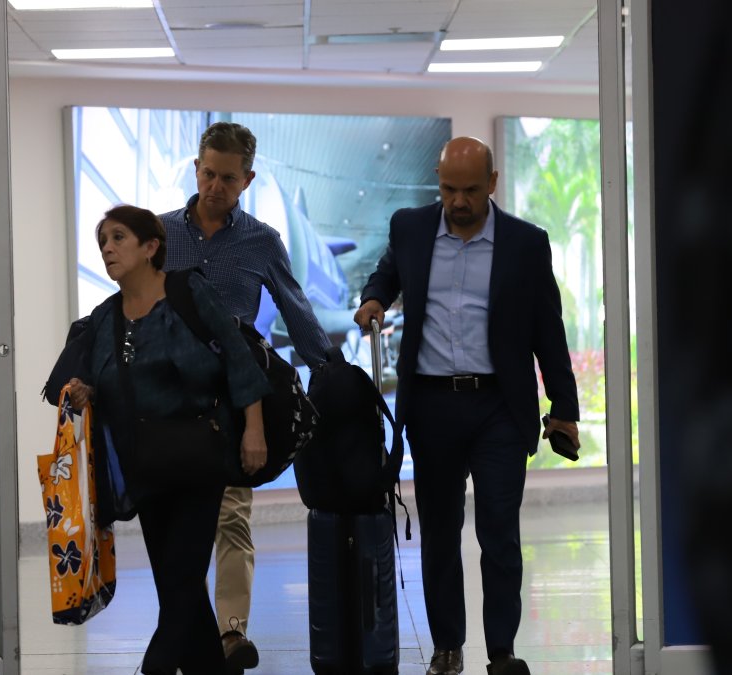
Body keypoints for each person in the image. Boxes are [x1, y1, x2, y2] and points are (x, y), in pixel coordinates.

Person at [353, 137, 580, 675]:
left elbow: (549, 330)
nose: (458, 201)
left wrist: (563, 407)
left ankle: (501, 651)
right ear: (438, 180)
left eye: (470, 191)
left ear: (493, 184)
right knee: (440, 531)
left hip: (500, 406)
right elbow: (389, 270)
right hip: (432, 405)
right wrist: (374, 298)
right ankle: (447, 647)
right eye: (449, 189)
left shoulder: (526, 244)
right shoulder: (410, 227)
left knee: (499, 530)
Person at [66, 205, 270, 675]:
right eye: (103, 242)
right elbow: (106, 378)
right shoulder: (105, 318)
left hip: (199, 461)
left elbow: (238, 358)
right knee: (182, 593)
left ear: (151, 247)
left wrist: (253, 430)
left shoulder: (186, 291)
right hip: (147, 468)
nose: (108, 249)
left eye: (119, 238)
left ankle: (154, 669)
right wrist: (85, 389)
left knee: (179, 586)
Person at [159, 121, 330, 673]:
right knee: (178, 523)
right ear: (196, 168)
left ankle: (232, 635)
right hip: (171, 401)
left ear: (247, 179)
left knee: (231, 515)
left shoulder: (261, 241)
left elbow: (298, 312)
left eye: (227, 179)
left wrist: (333, 374)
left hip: (237, 399)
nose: (215, 187)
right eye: (208, 174)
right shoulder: (160, 236)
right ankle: (185, 632)